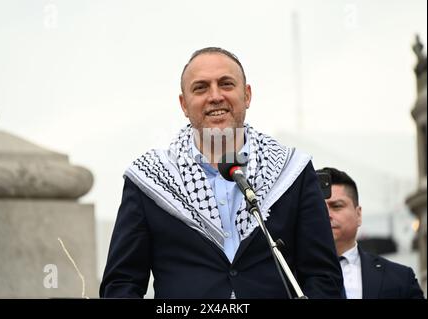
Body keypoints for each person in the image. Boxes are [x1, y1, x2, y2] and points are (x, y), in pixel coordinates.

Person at [100, 47, 344, 298]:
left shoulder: (291, 171)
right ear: (184, 104)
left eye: (226, 84)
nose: (215, 96)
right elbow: (122, 282)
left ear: (247, 95)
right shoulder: (151, 178)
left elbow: (323, 276)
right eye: (201, 88)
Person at [317, 167, 425, 299]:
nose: (327, 214)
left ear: (358, 214)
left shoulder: (400, 278)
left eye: (337, 206)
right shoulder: (290, 278)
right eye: (318, 208)